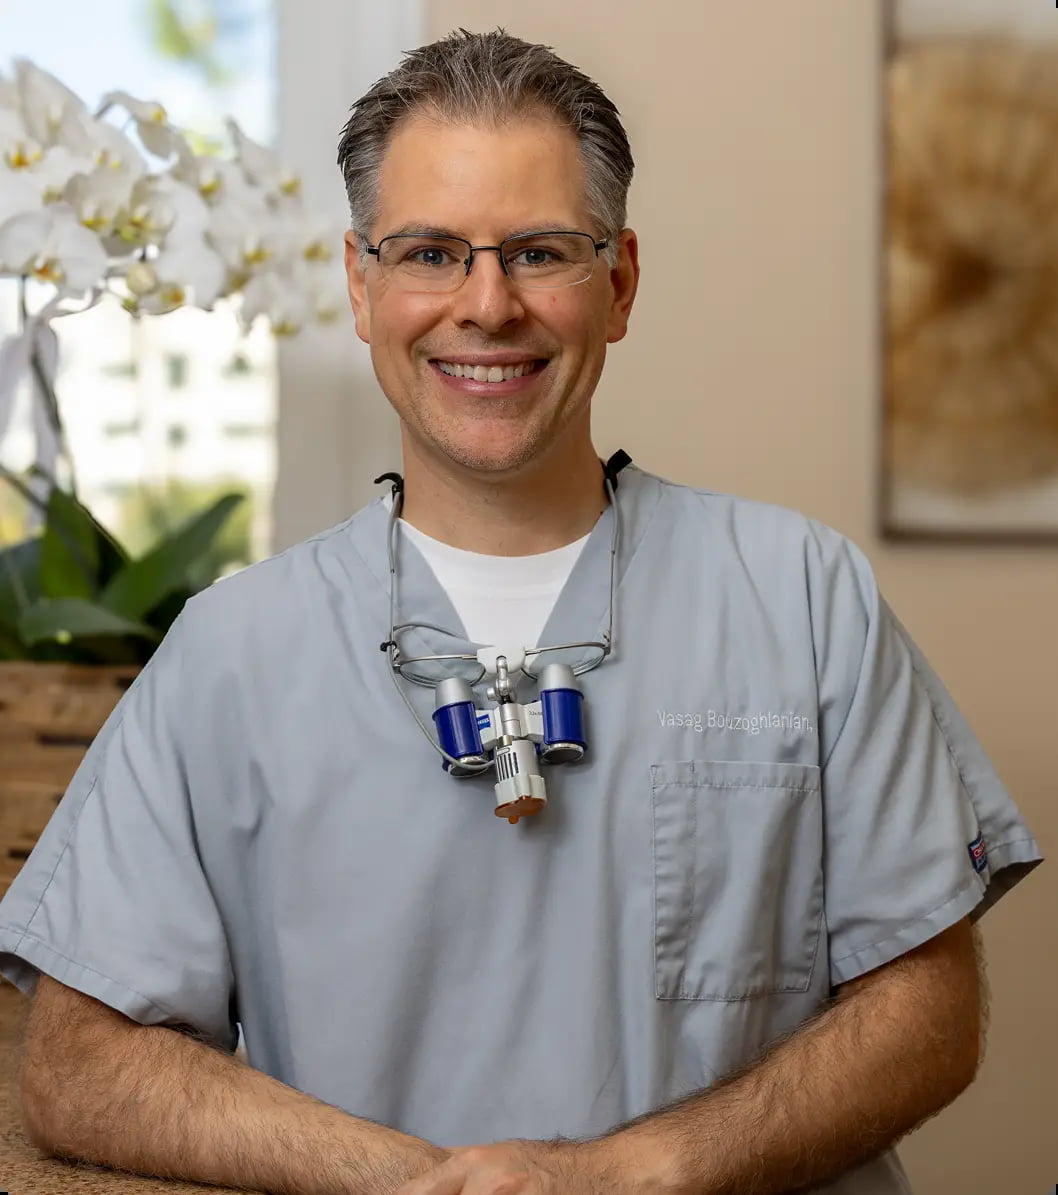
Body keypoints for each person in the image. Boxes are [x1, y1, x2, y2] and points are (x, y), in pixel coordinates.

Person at [0, 28, 1042, 1195]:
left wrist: (630, 1173)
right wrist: (418, 1181)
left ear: (621, 281)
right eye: (430, 252)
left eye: (539, 251)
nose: (486, 306)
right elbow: (78, 1065)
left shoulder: (802, 596)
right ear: (360, 283)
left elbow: (929, 1009)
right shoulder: (231, 652)